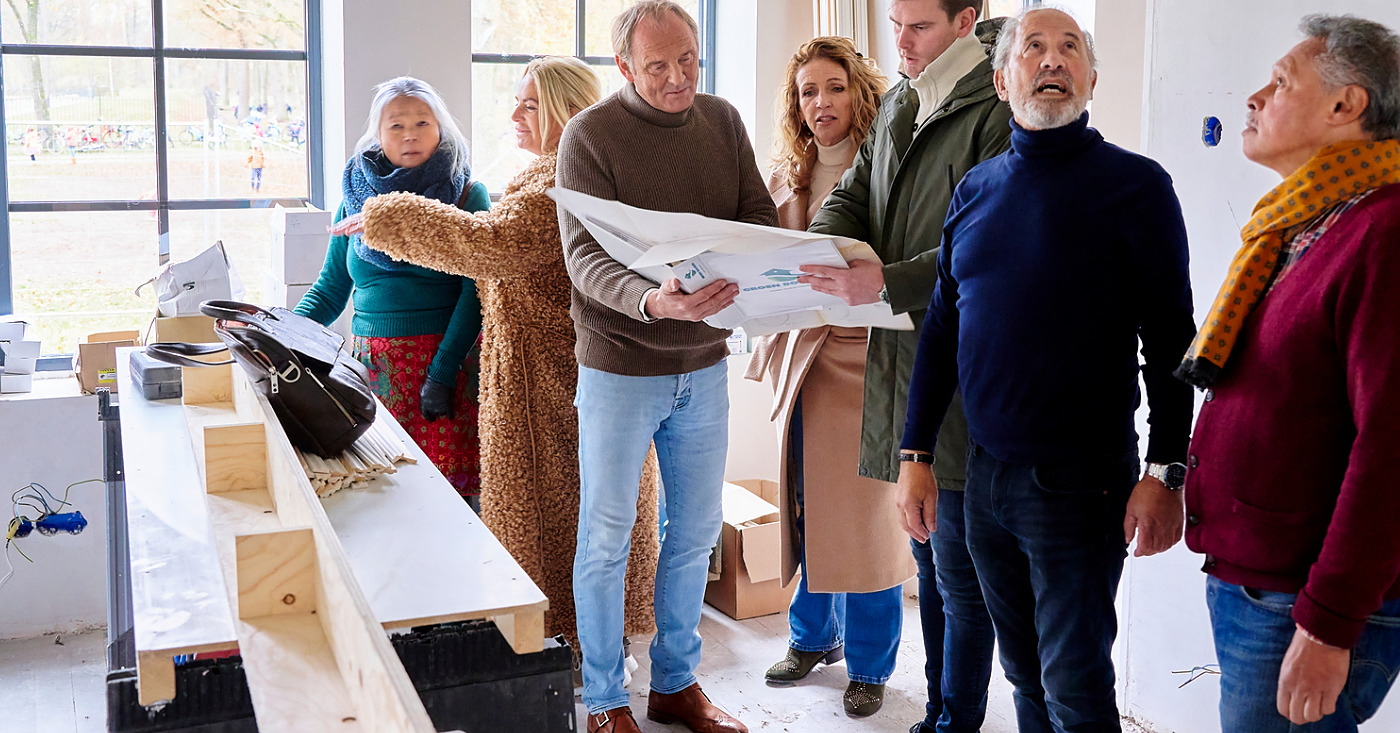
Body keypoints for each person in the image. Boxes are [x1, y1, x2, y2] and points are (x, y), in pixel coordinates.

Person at [897, 7, 1196, 732]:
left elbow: (1171, 344)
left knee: (1076, 683)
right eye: (1034, 48)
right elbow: (942, 327)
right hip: (985, 478)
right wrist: (916, 453)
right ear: (1003, 81)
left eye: (1070, 49)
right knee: (1024, 674)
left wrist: (1165, 473)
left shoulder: (1138, 188)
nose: (1053, 60)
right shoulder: (975, 190)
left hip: (1081, 484)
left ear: (1093, 78)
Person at [335, 56, 662, 666]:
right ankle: (571, 640)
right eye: (515, 101)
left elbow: (492, 246)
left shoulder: (557, 183)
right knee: (575, 516)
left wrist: (388, 216)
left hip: (557, 379)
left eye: (530, 104)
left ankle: (584, 649)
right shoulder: (548, 174)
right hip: (541, 374)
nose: (513, 114)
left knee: (576, 518)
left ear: (567, 111)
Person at [556, 2, 777, 731]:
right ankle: (605, 697)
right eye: (659, 67)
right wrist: (653, 299)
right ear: (624, 68)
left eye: (689, 61)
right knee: (607, 534)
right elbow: (583, 258)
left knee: (695, 529)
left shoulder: (722, 120)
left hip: (704, 363)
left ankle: (677, 685)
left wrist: (764, 269)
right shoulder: (590, 137)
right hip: (621, 364)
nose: (680, 78)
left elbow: (756, 215)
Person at [1179, 15, 1400, 733]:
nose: (1254, 95)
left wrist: (1330, 623)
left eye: (1280, 82)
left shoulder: (1385, 233)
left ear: (1346, 106)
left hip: (1301, 598)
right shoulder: (1306, 220)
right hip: (1262, 580)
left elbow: (1391, 447)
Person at [798, 1, 1012, 730]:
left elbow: (987, 241)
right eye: (894, 23)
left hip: (960, 364)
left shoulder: (997, 101)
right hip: (901, 361)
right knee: (927, 556)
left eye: (917, 26)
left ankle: (958, 719)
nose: (900, 41)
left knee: (959, 574)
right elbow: (854, 194)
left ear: (967, 19)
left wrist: (885, 280)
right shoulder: (901, 97)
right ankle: (940, 714)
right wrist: (822, 247)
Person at [744, 36, 907, 718]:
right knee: (807, 507)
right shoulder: (788, 175)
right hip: (801, 360)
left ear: (859, 92)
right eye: (808, 91)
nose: (820, 103)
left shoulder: (891, 169)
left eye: (833, 87)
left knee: (867, 519)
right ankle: (814, 638)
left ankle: (870, 664)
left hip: (867, 357)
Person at [294, 76, 488, 501]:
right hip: (371, 370)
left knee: (447, 502)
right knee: (386, 498)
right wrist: (281, 333)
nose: (410, 135)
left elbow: (475, 294)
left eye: (423, 123)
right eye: (396, 125)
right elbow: (330, 289)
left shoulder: (467, 195)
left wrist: (441, 373)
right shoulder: (354, 198)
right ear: (378, 136)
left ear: (441, 129)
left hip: (442, 366)